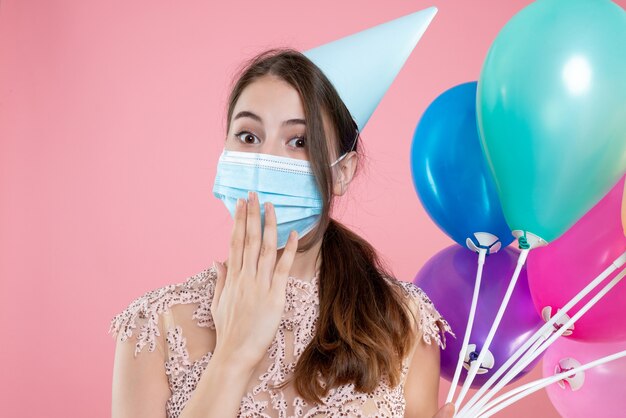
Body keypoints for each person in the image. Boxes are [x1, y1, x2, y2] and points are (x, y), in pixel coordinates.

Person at [109, 48, 456, 418]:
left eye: (299, 142)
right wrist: (233, 355)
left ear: (342, 171)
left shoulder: (404, 322)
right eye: (248, 136)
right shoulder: (153, 327)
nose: (265, 160)